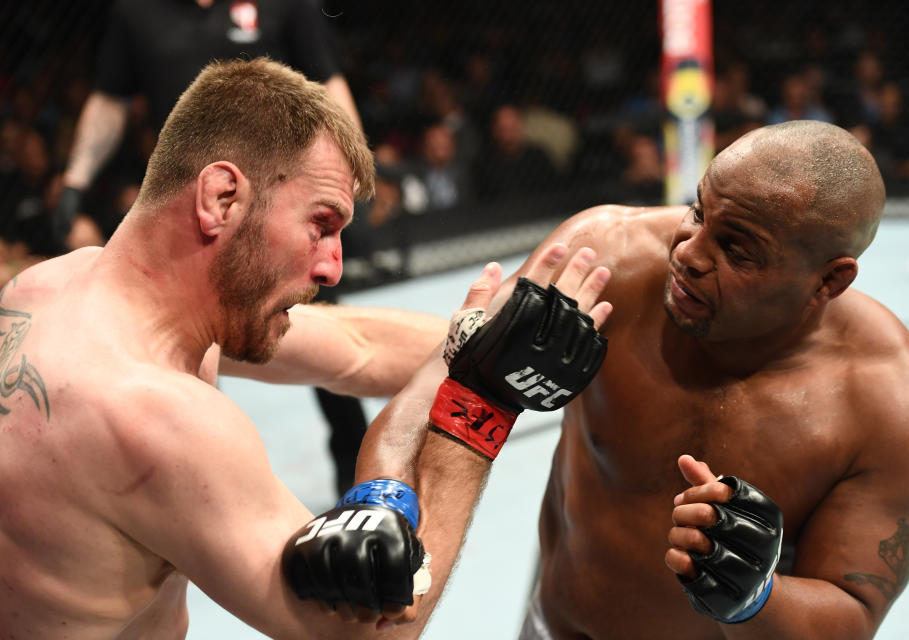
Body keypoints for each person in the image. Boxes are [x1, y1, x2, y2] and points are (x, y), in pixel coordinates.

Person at [0, 57, 612, 638]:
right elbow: (377, 627)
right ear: (222, 199)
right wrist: (485, 404)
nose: (333, 268)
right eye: (322, 224)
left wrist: (488, 346)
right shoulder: (157, 420)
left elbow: (355, 347)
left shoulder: (53, 286)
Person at [498, 120, 909, 639]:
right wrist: (389, 495)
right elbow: (443, 373)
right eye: (698, 211)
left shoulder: (895, 407)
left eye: (737, 250)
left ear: (829, 279)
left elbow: (853, 614)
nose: (688, 253)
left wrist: (756, 598)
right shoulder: (609, 262)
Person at [55, 0, 371, 497]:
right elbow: (109, 98)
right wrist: (76, 178)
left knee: (325, 336)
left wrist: (341, 188)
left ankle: (356, 480)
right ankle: (199, 490)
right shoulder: (137, 12)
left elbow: (330, 87)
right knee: (187, 350)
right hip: (193, 221)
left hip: (283, 225)